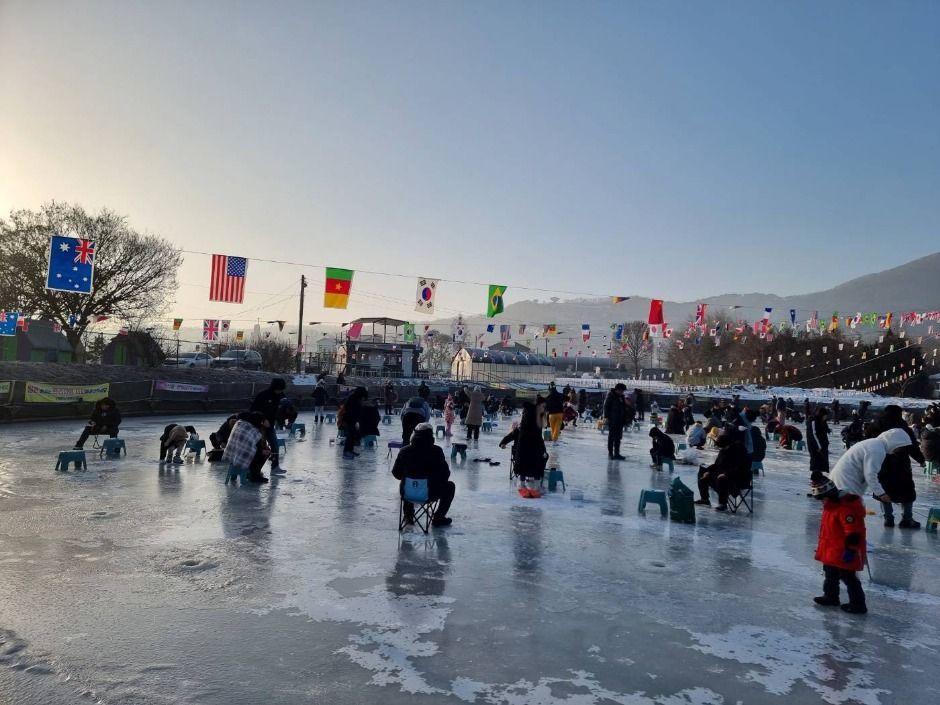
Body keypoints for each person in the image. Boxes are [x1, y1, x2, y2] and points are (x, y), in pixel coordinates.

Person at [809, 472, 867, 614]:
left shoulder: (845, 509)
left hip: (843, 550)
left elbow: (853, 532)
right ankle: (831, 596)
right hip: (831, 550)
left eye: (822, 499)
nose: (822, 502)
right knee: (830, 574)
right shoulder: (831, 506)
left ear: (829, 495)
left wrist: (851, 550)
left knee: (848, 577)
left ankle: (858, 604)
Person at [869, 405, 925, 528]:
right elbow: (912, 446)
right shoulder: (902, 426)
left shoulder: (876, 425)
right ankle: (907, 519)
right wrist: (921, 460)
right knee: (906, 490)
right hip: (901, 463)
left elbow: (868, 443)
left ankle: (888, 518)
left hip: (881, 461)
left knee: (884, 489)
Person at [391, 423, 455, 527]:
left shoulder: (404, 451)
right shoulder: (436, 451)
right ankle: (438, 517)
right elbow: (445, 474)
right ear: (430, 435)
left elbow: (396, 474)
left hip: (408, 494)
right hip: (430, 494)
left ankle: (408, 516)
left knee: (409, 483)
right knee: (450, 486)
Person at [829, 428, 912, 507]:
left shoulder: (874, 444)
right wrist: (881, 494)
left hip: (845, 482)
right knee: (851, 512)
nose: (899, 450)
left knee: (846, 512)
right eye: (900, 447)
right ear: (895, 442)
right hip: (846, 484)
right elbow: (870, 475)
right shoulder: (877, 450)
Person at [695, 430, 750, 511]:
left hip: (737, 477)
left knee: (722, 479)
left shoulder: (738, 451)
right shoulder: (724, 450)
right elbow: (717, 465)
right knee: (703, 471)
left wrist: (726, 474)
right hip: (723, 473)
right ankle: (705, 499)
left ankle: (723, 503)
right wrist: (708, 471)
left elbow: (740, 467)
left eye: (722, 447)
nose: (721, 449)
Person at [499, 402, 548, 481]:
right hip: (529, 455)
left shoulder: (520, 429)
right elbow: (540, 442)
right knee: (540, 457)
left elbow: (510, 436)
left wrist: (503, 443)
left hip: (521, 455)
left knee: (532, 457)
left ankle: (526, 477)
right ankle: (536, 476)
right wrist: (544, 451)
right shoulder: (532, 430)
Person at [249, 378, 287, 475]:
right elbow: (252, 411)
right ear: (275, 387)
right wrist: (262, 420)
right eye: (279, 389)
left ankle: (275, 467)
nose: (281, 391)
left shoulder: (280, 396)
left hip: (270, 426)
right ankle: (254, 469)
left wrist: (280, 420)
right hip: (258, 426)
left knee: (275, 446)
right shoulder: (263, 395)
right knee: (259, 449)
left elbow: (279, 410)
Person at [222, 412, 267, 486]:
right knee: (263, 454)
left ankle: (236, 475)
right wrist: (264, 451)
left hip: (233, 454)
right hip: (242, 457)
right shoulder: (253, 431)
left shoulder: (240, 424)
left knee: (260, 451)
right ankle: (255, 475)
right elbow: (256, 448)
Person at [340, 386, 367, 459]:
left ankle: (350, 450)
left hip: (353, 419)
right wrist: (355, 421)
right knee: (350, 435)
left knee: (352, 435)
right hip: (350, 419)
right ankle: (346, 451)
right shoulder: (353, 398)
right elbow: (351, 410)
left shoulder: (355, 397)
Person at [604, 383, 628, 460]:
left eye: (623, 391)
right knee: (611, 437)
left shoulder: (621, 396)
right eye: (621, 391)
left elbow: (624, 408)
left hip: (620, 420)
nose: (622, 392)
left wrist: (625, 418)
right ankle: (610, 453)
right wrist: (607, 417)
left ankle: (617, 453)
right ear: (617, 389)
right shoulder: (610, 395)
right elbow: (606, 407)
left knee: (618, 437)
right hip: (612, 419)